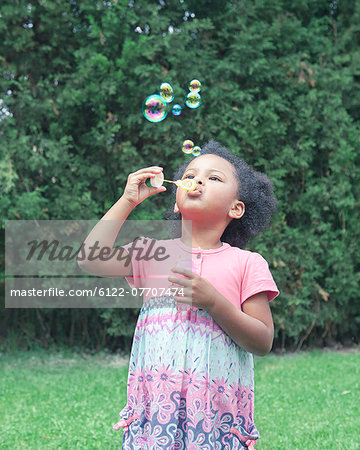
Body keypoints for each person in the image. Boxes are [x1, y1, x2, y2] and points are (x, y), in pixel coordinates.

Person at [79, 140, 279, 449]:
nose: (198, 180)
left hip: (215, 419)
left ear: (236, 208)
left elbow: (263, 340)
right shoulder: (150, 252)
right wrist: (127, 201)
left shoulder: (247, 264)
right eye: (192, 174)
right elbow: (90, 259)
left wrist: (214, 302)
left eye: (214, 178)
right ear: (176, 201)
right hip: (155, 414)